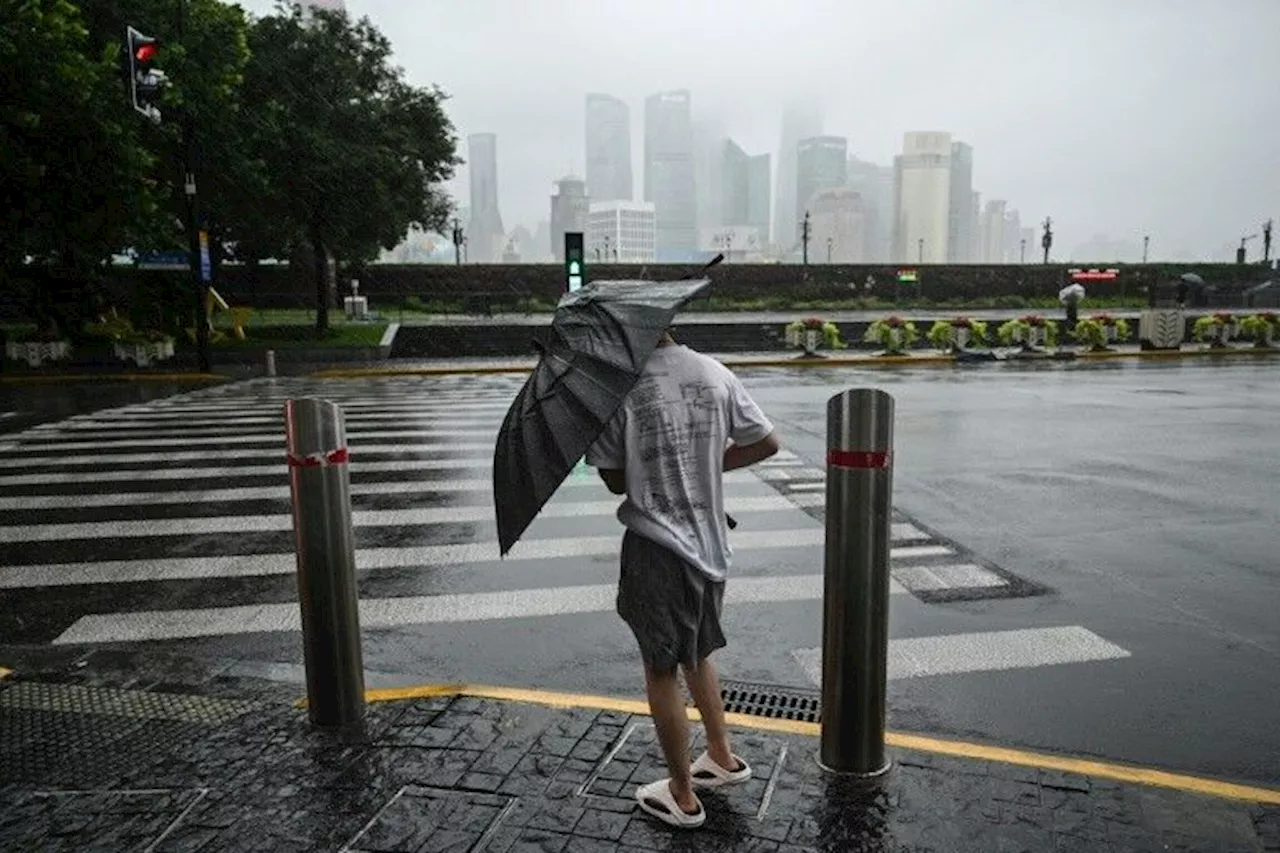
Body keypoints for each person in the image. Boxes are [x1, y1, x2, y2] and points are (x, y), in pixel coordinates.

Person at [587, 330, 780, 830]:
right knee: (697, 652)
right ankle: (721, 754)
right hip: (710, 543)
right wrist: (705, 466)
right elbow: (766, 441)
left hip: (657, 547)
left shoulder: (620, 391)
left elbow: (613, 480)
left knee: (660, 669)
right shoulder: (713, 371)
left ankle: (681, 794)